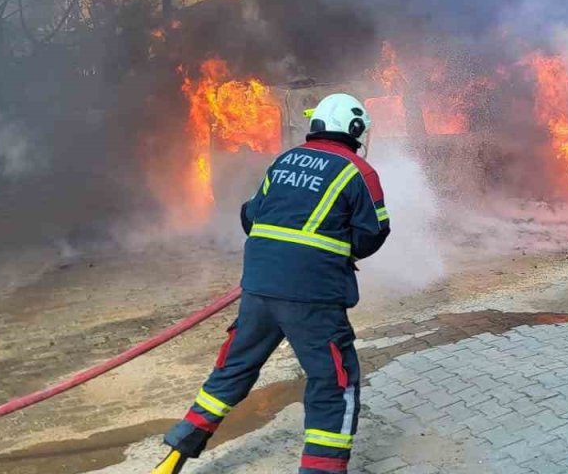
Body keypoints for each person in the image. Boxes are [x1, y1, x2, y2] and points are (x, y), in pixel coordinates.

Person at [153, 93, 390, 474]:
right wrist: (339, 250)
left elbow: (250, 215)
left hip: (259, 289)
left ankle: (177, 451)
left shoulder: (283, 161)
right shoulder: (358, 171)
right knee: (333, 383)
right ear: (356, 128)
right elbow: (374, 233)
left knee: (233, 369)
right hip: (313, 297)